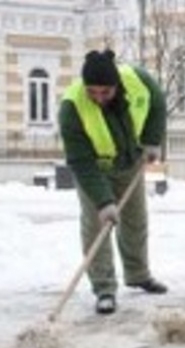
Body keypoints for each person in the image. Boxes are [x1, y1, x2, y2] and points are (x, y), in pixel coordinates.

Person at [58, 49, 168, 315]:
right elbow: (80, 161)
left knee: (135, 220)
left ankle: (138, 274)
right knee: (98, 225)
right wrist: (103, 201)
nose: (98, 98)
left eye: (104, 92)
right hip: (95, 167)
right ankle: (104, 288)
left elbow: (157, 103)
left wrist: (152, 140)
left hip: (130, 163)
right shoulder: (71, 107)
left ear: (116, 85)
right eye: (92, 92)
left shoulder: (138, 80)